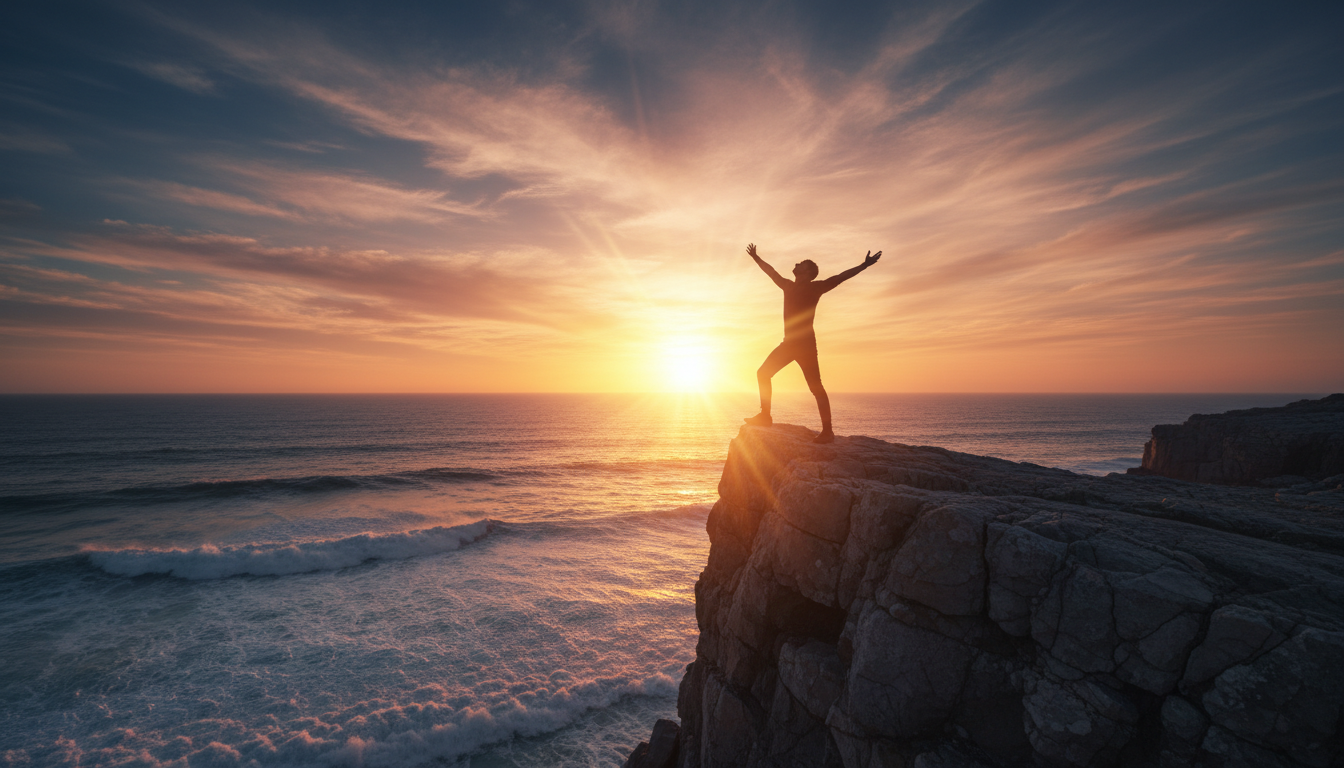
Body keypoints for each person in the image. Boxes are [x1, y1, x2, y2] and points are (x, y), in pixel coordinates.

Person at [742, 242, 881, 443]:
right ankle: (765, 416)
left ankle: (827, 432)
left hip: (806, 347)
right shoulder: (787, 285)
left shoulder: (816, 287)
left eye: (801, 264)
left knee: (816, 387)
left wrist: (864, 265)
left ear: (807, 273)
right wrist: (756, 258)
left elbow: (841, 277)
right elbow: (771, 272)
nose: (796, 263)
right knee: (763, 373)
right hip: (788, 344)